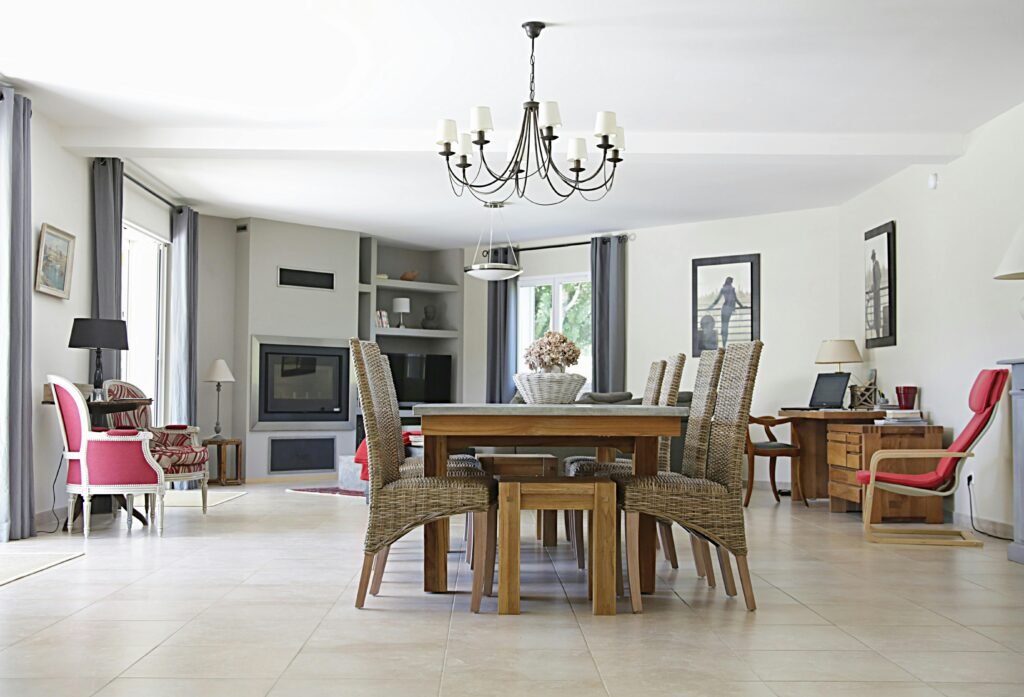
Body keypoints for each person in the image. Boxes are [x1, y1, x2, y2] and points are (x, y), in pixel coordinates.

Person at [706, 276, 744, 346]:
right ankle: (724, 344)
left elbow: (716, 300)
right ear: (730, 282)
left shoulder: (723, 289)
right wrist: (742, 306)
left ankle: (723, 344)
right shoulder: (732, 289)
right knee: (725, 326)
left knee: (723, 326)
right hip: (729, 309)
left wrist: (710, 307)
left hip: (724, 308)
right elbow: (735, 299)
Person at [870, 250, 882, 337]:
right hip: (875, 292)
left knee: (877, 311)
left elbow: (878, 277)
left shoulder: (876, 264)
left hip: (876, 292)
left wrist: (875, 288)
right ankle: (877, 332)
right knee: (876, 311)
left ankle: (878, 332)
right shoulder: (874, 264)